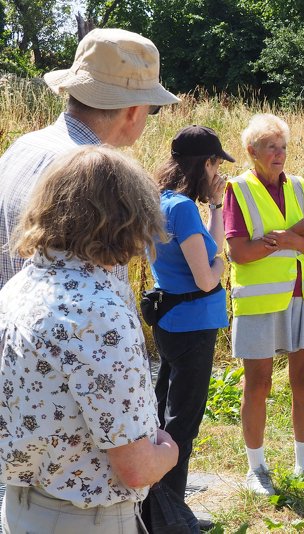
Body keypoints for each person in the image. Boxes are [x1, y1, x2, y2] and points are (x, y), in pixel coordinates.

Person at [0, 146, 178, 533]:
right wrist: (168, 449)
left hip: (22, 508)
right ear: (128, 220)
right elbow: (135, 468)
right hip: (85, 519)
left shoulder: (19, 288)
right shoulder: (99, 314)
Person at [0, 27, 179, 289]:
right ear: (133, 111)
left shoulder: (21, 147)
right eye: (152, 109)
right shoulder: (97, 177)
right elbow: (98, 303)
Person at [223, 114, 304, 495]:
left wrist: (287, 239)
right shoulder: (237, 189)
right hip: (258, 302)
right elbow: (239, 253)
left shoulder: (299, 187)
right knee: (259, 384)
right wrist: (290, 237)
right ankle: (257, 469)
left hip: (302, 296)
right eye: (271, 147)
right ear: (251, 151)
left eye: (283, 147)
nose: (279, 154)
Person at [145, 125, 235, 530]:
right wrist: (224, 266)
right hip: (194, 325)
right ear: (207, 163)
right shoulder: (181, 209)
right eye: (217, 165)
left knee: (164, 417)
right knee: (182, 424)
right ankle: (170, 517)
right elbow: (207, 276)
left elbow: (208, 248)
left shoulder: (163, 202)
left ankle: (157, 507)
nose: (219, 174)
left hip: (171, 321)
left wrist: (216, 207)